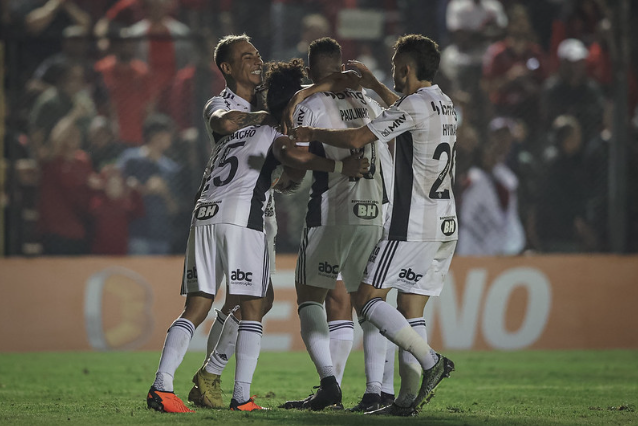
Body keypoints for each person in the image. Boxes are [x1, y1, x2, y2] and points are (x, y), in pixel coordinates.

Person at [145, 56, 368, 414]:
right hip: (241, 221)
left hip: (203, 216)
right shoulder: (272, 131)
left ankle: (162, 385)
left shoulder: (232, 134)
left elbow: (271, 167)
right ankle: (241, 396)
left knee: (197, 306)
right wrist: (342, 165)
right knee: (253, 308)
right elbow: (293, 155)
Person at [290, 34, 457, 416]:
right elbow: (404, 107)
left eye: (396, 69)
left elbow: (357, 137)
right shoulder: (443, 102)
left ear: (405, 69)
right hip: (446, 221)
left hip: (410, 222)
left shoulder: (413, 104)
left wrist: (311, 133)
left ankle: (431, 361)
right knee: (412, 308)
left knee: (366, 299)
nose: (393, 76)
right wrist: (373, 85)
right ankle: (406, 402)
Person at [280, 37, 387, 412]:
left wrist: (284, 175)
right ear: (343, 68)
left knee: (311, 296)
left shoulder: (308, 104)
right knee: (367, 302)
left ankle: (329, 384)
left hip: (331, 211)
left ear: (309, 73)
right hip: (376, 210)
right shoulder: (369, 102)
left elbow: (297, 154)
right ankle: (376, 391)